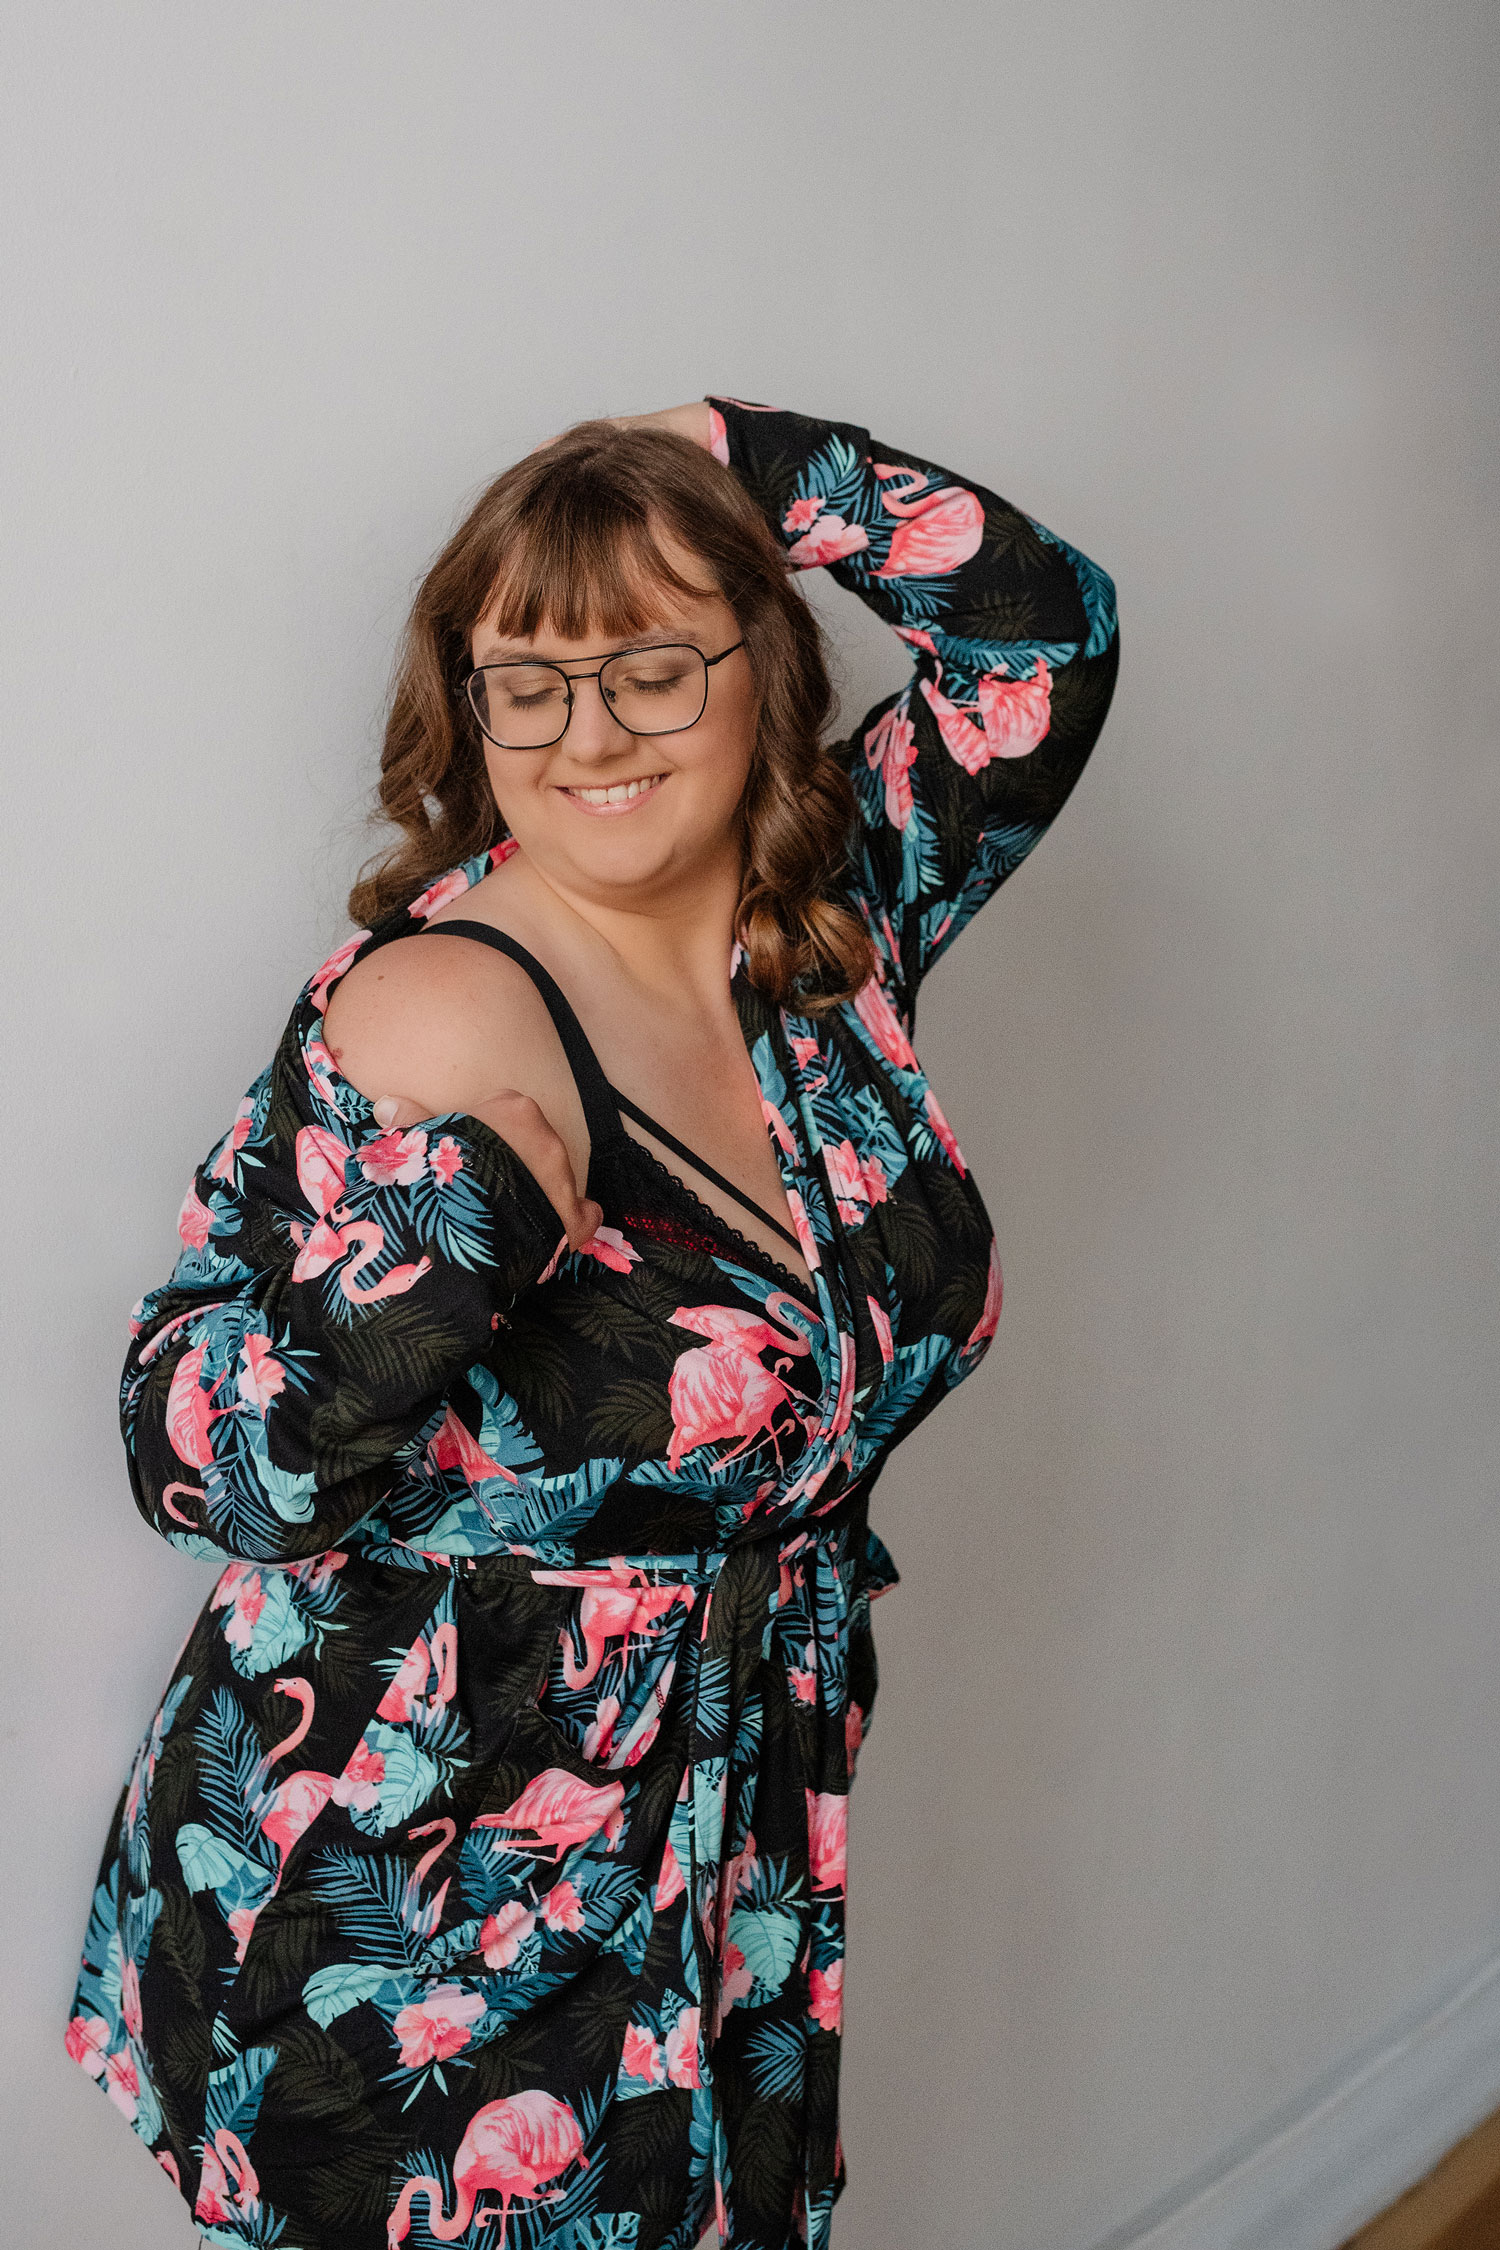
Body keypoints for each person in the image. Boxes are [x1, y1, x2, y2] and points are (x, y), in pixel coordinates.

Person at [67, 396, 1119, 2250]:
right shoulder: (433, 1010)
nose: (588, 736)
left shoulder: (829, 920)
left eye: (649, 665)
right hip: (427, 1893)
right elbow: (186, 1444)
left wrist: (736, 450)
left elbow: (1043, 634)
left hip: (736, 1830)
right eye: (525, 683)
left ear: (761, 667)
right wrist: (455, 1234)